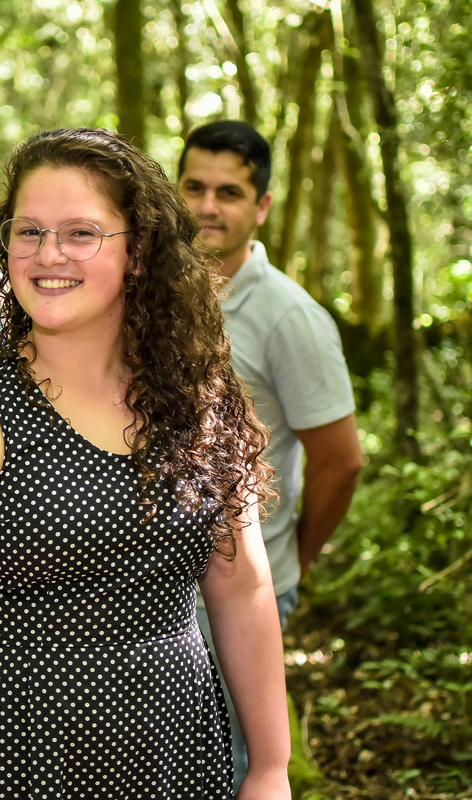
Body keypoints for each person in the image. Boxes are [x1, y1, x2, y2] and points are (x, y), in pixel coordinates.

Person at [0, 127, 292, 799]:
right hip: (17, 766)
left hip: (179, 761)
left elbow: (242, 588)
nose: (48, 254)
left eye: (80, 233)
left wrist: (271, 767)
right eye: (29, 232)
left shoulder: (196, 402)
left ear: (139, 252)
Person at [178, 120, 363, 787]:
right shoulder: (152, 295)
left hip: (243, 589)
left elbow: (341, 460)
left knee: (235, 768)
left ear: (261, 207)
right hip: (159, 588)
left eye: (229, 193)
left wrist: (293, 561)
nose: (207, 206)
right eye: (195, 187)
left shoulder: (292, 317)